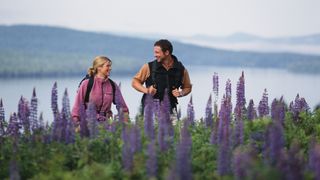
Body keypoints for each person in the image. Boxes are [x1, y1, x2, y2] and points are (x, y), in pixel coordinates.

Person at [132, 39, 192, 113]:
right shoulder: (148, 67)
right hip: (150, 110)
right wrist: (147, 91)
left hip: (171, 110)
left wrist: (180, 93)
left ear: (167, 52)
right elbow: (135, 82)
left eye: (157, 52)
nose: (155, 55)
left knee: (174, 125)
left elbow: (188, 87)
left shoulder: (181, 69)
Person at [72, 56, 129, 124]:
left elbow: (123, 107)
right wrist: (76, 124)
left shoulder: (113, 85)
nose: (110, 68)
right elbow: (77, 106)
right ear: (99, 67)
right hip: (88, 123)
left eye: (110, 66)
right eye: (107, 66)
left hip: (106, 125)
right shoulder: (86, 84)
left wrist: (125, 123)